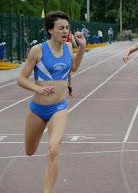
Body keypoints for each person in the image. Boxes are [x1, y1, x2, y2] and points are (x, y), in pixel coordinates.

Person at [17, 11, 86, 193]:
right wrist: (38, 89)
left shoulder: (68, 47)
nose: (65, 31)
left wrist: (82, 48)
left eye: (67, 28)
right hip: (38, 109)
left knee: (54, 149)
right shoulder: (37, 50)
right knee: (29, 151)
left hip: (59, 107)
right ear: (50, 30)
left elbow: (74, 67)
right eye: (61, 28)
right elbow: (21, 79)